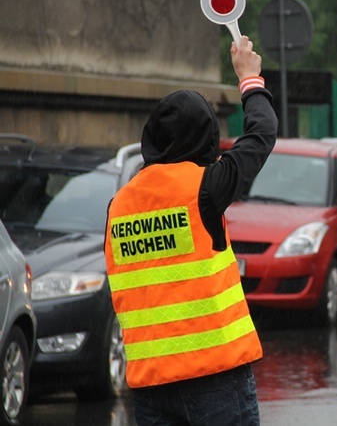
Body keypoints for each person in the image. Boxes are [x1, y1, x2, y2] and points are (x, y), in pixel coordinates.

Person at [103, 36, 277, 426]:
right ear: (205, 137)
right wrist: (250, 78)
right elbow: (261, 133)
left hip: (151, 384)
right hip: (214, 377)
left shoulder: (119, 205)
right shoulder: (205, 188)